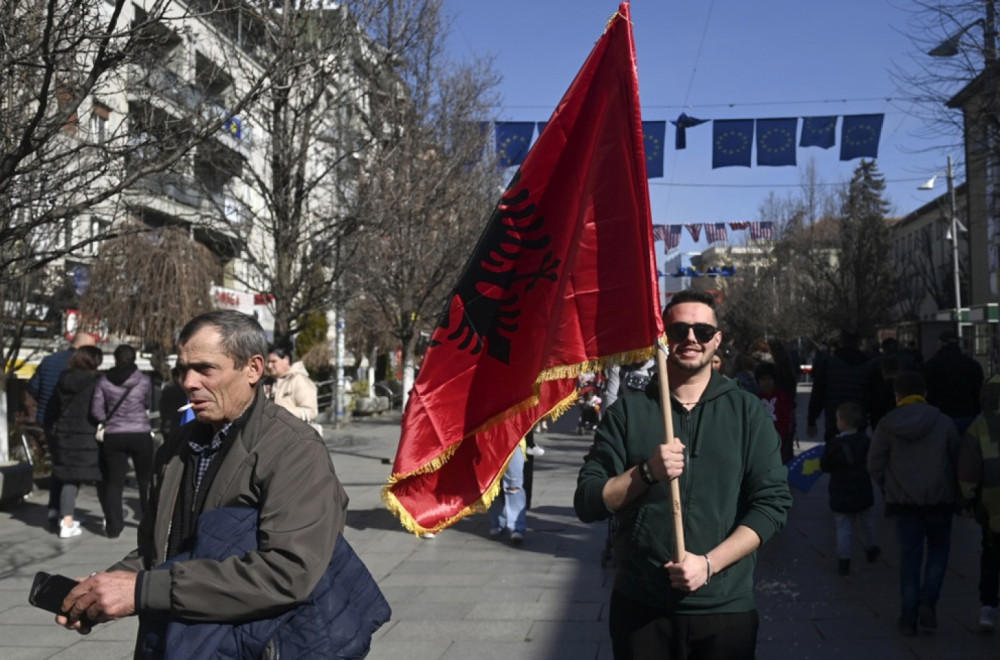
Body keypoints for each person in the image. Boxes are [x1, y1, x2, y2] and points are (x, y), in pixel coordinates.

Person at [57, 310, 355, 655]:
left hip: (252, 645)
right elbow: (159, 552)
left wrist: (142, 590)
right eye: (182, 369)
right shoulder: (174, 448)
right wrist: (102, 590)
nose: (188, 382)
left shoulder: (294, 449)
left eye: (205, 369)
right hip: (174, 642)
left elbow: (288, 572)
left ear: (253, 369)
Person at [574, 289, 792, 660]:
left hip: (726, 610)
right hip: (642, 608)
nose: (691, 338)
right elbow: (588, 502)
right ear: (664, 338)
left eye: (703, 331)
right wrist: (646, 473)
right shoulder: (629, 412)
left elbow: (772, 505)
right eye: (679, 330)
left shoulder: (747, 411)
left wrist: (708, 565)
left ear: (717, 340)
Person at [868, 370, 961, 637]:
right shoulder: (943, 422)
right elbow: (957, 458)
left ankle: (908, 617)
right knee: (938, 551)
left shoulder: (887, 424)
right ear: (925, 393)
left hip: (903, 502)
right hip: (939, 500)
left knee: (910, 558)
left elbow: (874, 463)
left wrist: (888, 487)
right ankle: (928, 601)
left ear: (897, 395)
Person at [25, 332, 97, 527]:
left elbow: (33, 387)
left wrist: (43, 406)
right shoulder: (84, 369)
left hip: (49, 421)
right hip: (77, 427)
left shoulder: (49, 361)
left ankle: (55, 511)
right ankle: (64, 514)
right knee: (70, 470)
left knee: (58, 465)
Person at [91, 344, 154, 538]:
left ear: (115, 359)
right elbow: (148, 404)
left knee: (114, 482)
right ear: (134, 359)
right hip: (140, 433)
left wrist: (106, 420)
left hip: (114, 434)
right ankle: (150, 524)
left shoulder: (103, 381)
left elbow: (96, 410)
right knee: (145, 480)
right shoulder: (144, 380)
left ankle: (113, 527)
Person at [957, 374, 1000, 633]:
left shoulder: (980, 425)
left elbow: (968, 469)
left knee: (991, 554)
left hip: (991, 503)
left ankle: (988, 607)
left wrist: (967, 497)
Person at [49, 346, 105, 538]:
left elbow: (55, 406)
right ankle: (68, 523)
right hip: (86, 433)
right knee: (94, 477)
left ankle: (65, 516)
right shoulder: (96, 381)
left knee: (69, 478)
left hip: (65, 433)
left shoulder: (63, 379)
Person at [819, 401, 878, 576]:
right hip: (862, 488)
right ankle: (871, 547)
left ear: (842, 422)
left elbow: (825, 465)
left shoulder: (834, 444)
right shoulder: (865, 441)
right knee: (866, 520)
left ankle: (844, 559)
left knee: (843, 526)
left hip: (840, 490)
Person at [807, 331, 872, 442]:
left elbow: (818, 393)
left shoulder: (829, 363)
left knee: (834, 452)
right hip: (858, 418)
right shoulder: (867, 364)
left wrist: (811, 420)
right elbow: (872, 394)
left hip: (835, 419)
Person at [924, 330, 984, 435]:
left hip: (940, 415)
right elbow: (979, 390)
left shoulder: (932, 364)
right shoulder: (973, 365)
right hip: (967, 414)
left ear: (942, 343)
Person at [265, 344, 318, 423]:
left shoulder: (300, 381)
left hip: (296, 433)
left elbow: (311, 412)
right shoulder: (266, 382)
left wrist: (280, 412)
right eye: (268, 362)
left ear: (286, 360)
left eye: (273, 361)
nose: (269, 366)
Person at [489, 440, 528, 545]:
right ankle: (497, 522)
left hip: (513, 440)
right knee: (492, 485)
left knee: (514, 484)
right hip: (487, 440)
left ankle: (516, 527)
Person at [755, 362, 795, 464]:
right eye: (763, 379)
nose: (766, 382)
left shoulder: (783, 398)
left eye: (769, 379)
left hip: (781, 442)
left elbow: (786, 420)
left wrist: (780, 438)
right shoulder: (755, 399)